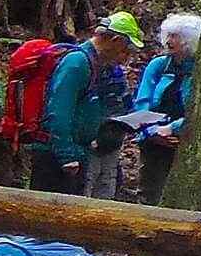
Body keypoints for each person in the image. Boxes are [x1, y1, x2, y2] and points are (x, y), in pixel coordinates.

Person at [33, 12, 143, 195]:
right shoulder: (77, 63)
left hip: (78, 152)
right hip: (57, 156)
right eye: (125, 49)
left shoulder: (95, 63)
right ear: (115, 40)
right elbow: (59, 110)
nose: (124, 57)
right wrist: (66, 155)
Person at [133, 12, 201, 203]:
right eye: (168, 35)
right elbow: (142, 100)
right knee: (149, 193)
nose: (169, 41)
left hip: (184, 140)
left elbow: (199, 110)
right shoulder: (158, 65)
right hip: (153, 141)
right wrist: (151, 131)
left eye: (175, 36)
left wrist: (173, 128)